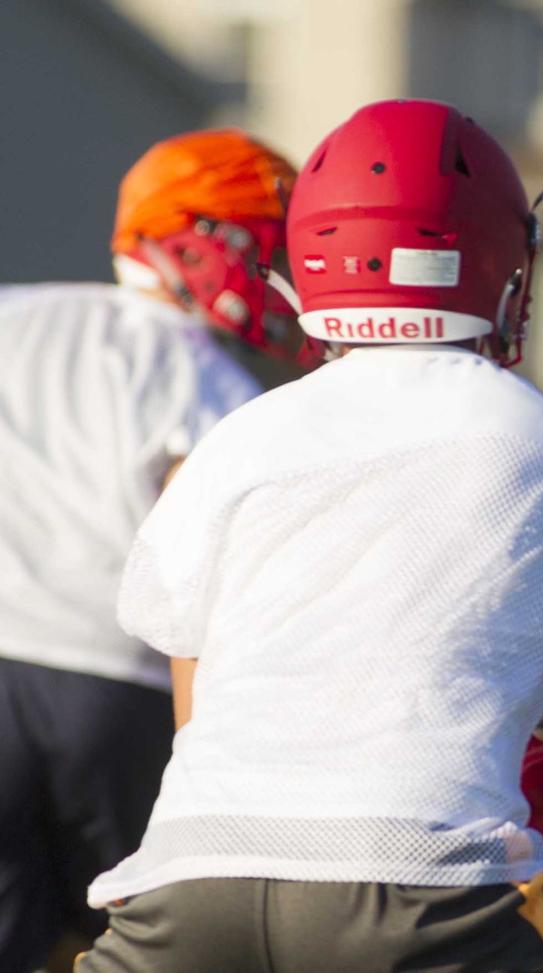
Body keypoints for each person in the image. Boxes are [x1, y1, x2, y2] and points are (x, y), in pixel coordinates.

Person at [75, 99, 543, 973]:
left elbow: (194, 691)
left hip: (183, 889)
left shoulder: (234, 442)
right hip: (426, 891)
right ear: (505, 265)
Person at [0, 129, 312, 973]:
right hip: (115, 685)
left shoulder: (15, 313)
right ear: (203, 238)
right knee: (133, 949)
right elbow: (214, 555)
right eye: (270, 245)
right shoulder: (199, 369)